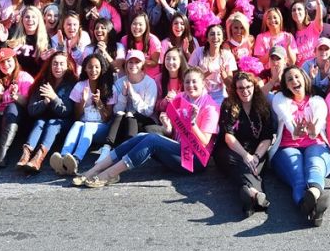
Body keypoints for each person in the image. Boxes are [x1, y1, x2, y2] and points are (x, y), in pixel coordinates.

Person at [74, 68, 220, 187]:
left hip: (195, 160)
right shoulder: (182, 98)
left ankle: (108, 175)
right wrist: (167, 127)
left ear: (203, 84)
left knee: (152, 139)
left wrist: (193, 123)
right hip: (179, 150)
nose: (190, 85)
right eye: (187, 82)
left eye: (195, 82)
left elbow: (204, 142)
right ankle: (95, 169)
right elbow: (174, 133)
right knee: (140, 137)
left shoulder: (210, 107)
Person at [268, 67, 330, 227]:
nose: (294, 81)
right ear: (285, 84)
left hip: (316, 144)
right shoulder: (280, 98)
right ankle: (312, 207)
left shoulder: (318, 100)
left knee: (314, 166)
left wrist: (313, 131)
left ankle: (312, 194)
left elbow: (317, 126)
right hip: (286, 147)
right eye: (289, 79)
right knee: (297, 176)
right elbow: (287, 118)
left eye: (297, 77)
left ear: (304, 79)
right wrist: (295, 131)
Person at [215, 72, 277, 215]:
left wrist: (255, 156)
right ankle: (257, 195)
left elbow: (267, 137)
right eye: (240, 88)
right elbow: (228, 137)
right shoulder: (228, 105)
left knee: (252, 166)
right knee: (243, 165)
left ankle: (250, 194)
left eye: (248, 87)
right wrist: (245, 156)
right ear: (235, 90)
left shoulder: (263, 106)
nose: (245, 91)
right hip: (231, 149)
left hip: (257, 150)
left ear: (254, 86)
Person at [50, 53, 114, 177]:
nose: (93, 70)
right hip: (84, 125)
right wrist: (83, 102)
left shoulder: (109, 87)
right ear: (85, 68)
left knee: (88, 126)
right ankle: (63, 158)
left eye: (96, 67)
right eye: (90, 67)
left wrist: (99, 102)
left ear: (102, 69)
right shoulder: (80, 86)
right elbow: (77, 116)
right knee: (78, 124)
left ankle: (76, 159)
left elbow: (107, 118)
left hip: (101, 128)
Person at [17, 51, 76, 173]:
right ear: (50, 65)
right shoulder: (42, 82)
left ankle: (38, 158)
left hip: (64, 122)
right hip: (43, 119)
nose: (58, 67)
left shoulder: (72, 84)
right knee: (39, 121)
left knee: (52, 123)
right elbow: (31, 110)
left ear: (67, 66)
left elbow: (66, 111)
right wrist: (44, 102)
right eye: (55, 64)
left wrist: (54, 98)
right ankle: (26, 154)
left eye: (61, 64)